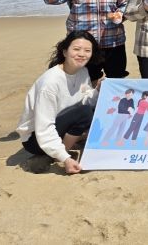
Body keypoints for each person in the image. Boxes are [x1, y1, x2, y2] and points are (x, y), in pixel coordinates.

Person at [17, 31, 103, 174]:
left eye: (87, 51)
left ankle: (61, 148)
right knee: (84, 112)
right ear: (64, 51)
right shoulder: (50, 83)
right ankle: (56, 154)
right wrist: (65, 158)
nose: (82, 54)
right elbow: (44, 127)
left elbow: (86, 100)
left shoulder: (83, 71)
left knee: (96, 109)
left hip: (60, 124)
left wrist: (98, 90)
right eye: (76, 49)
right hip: (35, 139)